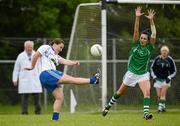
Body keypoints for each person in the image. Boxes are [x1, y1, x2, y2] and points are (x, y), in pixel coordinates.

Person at [25, 38, 100, 121]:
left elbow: (64, 61)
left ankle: (55, 120)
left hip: (48, 77)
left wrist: (74, 62)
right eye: (60, 47)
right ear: (55, 44)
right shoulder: (46, 47)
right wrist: (32, 67)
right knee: (72, 79)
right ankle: (93, 80)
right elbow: (35, 55)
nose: (61, 50)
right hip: (47, 74)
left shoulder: (56, 56)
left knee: (59, 97)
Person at [102, 7, 156, 120]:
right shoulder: (135, 45)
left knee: (147, 92)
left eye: (144, 39)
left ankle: (146, 114)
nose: (142, 40)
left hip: (143, 74)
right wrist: (137, 17)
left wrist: (151, 20)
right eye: (141, 38)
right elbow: (136, 30)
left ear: (147, 40)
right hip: (131, 73)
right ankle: (108, 106)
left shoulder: (150, 48)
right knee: (119, 92)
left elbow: (154, 34)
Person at [12, 40, 42, 115]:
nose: (29, 48)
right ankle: (24, 112)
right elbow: (16, 69)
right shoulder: (20, 56)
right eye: (28, 47)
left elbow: (40, 67)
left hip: (35, 79)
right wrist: (15, 79)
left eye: (31, 47)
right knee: (24, 98)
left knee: (37, 98)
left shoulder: (36, 55)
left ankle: (38, 112)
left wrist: (42, 77)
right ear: (25, 47)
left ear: (33, 47)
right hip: (24, 79)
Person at [151, 45, 177, 113]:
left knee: (163, 94)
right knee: (159, 95)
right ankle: (163, 106)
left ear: (168, 52)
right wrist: (154, 77)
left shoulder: (170, 60)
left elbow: (174, 71)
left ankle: (159, 108)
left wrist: (169, 77)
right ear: (161, 51)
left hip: (166, 80)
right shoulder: (157, 59)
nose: (164, 52)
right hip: (157, 79)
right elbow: (152, 68)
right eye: (163, 51)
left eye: (165, 51)